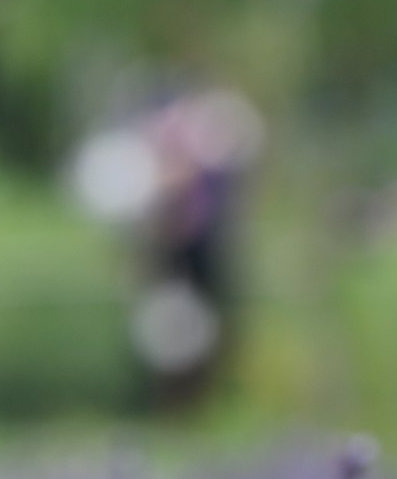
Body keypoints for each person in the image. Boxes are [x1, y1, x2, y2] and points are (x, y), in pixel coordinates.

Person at [69, 83, 263, 411]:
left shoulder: (199, 140)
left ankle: (203, 399)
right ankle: (173, 401)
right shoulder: (154, 142)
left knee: (204, 328)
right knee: (163, 330)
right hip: (169, 251)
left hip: (199, 249)